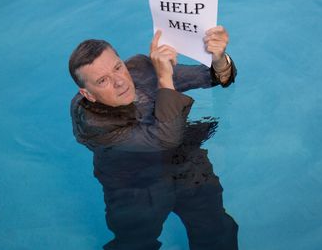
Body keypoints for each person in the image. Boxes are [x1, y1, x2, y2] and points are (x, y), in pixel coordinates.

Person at [69, 26, 239, 249]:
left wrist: (218, 59)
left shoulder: (140, 67)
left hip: (185, 165)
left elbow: (214, 77)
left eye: (118, 67)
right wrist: (164, 77)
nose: (119, 81)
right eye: (103, 81)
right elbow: (165, 138)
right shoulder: (91, 121)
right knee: (134, 244)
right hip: (134, 187)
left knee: (217, 232)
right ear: (88, 94)